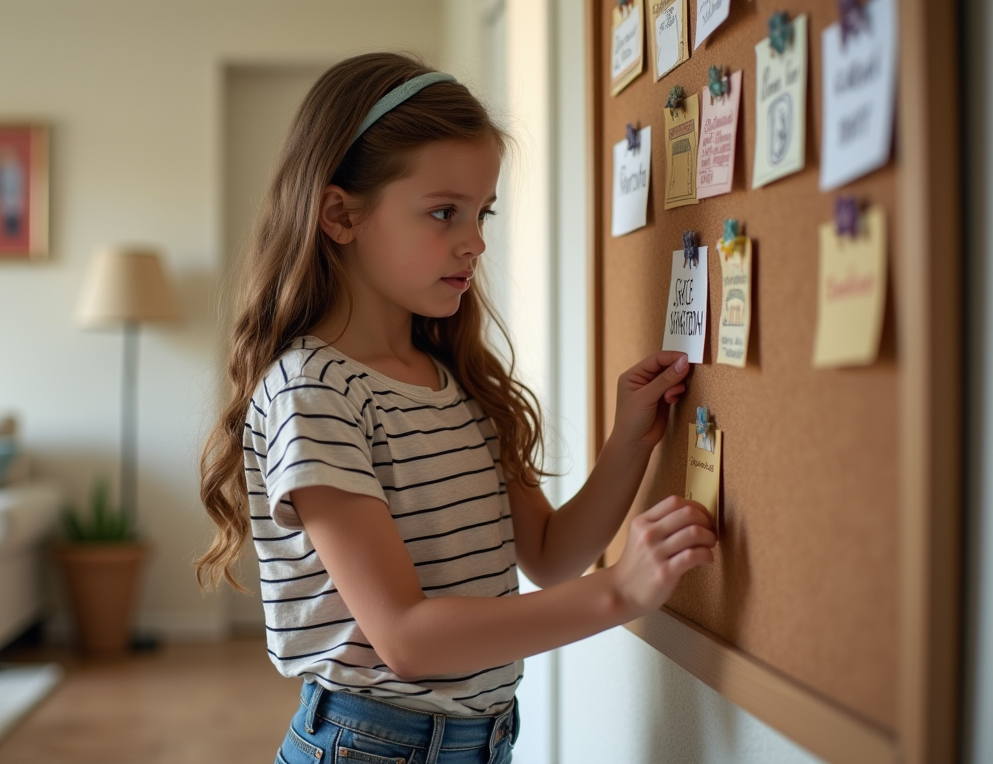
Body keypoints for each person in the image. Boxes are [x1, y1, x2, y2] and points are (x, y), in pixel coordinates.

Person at [195, 52, 716, 764]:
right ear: (341, 214)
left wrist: (631, 442)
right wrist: (620, 593)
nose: (474, 241)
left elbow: (551, 555)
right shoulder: (313, 394)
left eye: (481, 213)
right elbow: (406, 638)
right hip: (368, 748)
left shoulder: (454, 381)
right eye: (444, 213)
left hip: (480, 742)